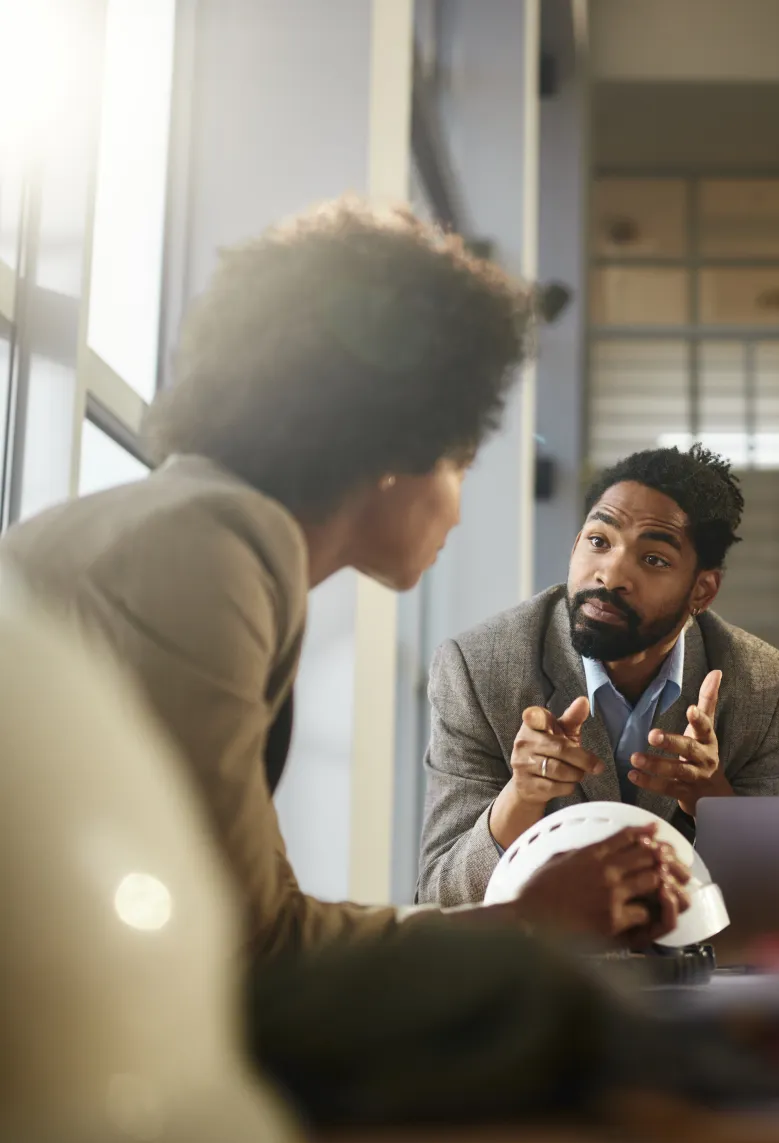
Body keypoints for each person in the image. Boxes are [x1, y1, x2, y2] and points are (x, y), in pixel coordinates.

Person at [0, 199, 688, 960]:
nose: (457, 513)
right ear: (400, 446)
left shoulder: (182, 529)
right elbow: (245, 945)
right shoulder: (210, 559)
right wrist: (530, 921)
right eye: (461, 464)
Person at [416, 444, 779, 907]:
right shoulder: (479, 668)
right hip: (542, 966)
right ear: (577, 541)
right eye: (600, 541)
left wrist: (711, 800)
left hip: (692, 968)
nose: (611, 574)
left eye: (654, 559)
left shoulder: (763, 684)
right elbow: (440, 897)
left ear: (702, 589)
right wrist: (520, 797)